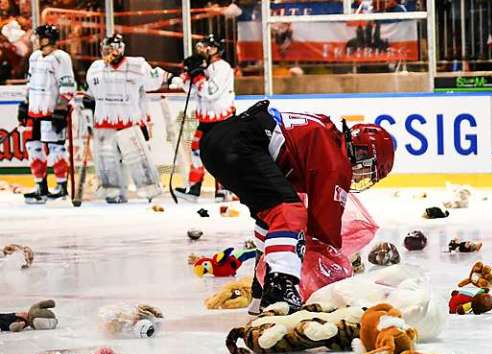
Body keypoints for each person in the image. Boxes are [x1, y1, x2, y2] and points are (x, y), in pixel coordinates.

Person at [199, 101, 396, 312]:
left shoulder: (326, 136)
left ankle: (260, 293)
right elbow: (324, 228)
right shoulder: (335, 162)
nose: (361, 176)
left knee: (272, 220)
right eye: (367, 170)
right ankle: (281, 288)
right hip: (241, 145)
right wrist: (334, 269)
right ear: (363, 154)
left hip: (219, 141)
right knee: (289, 212)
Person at [84, 33, 170, 203]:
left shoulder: (137, 65)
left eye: (111, 49)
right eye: (105, 49)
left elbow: (155, 80)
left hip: (129, 123)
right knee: (106, 161)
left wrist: (173, 78)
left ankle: (150, 192)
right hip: (104, 123)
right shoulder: (95, 67)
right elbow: (91, 93)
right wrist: (88, 105)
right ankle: (112, 193)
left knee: (139, 160)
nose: (107, 53)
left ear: (120, 49)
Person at [174, 34, 235, 201]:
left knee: (220, 155)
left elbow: (210, 93)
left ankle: (224, 189)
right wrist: (189, 73)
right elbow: (189, 90)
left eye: (208, 46)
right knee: (196, 151)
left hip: (222, 120)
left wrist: (199, 76)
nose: (203, 50)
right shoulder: (205, 66)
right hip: (205, 120)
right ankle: (194, 188)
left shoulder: (223, 68)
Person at [18, 24, 74, 204]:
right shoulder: (34, 57)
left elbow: (67, 86)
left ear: (46, 39)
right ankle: (40, 187)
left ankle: (61, 187)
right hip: (35, 112)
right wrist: (25, 105)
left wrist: (60, 109)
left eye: (38, 37)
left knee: (56, 149)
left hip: (51, 112)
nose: (35, 40)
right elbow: (30, 83)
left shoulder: (61, 58)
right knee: (33, 147)